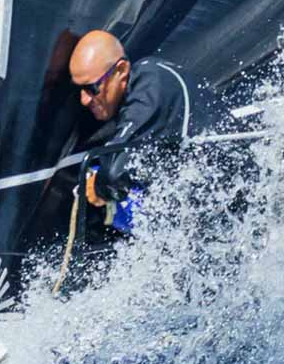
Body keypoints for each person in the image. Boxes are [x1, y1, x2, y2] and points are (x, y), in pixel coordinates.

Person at [68, 30, 195, 232]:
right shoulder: (147, 75)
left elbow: (112, 175)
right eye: (78, 89)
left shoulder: (150, 87)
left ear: (121, 70)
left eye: (91, 88)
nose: (84, 100)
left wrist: (97, 186)